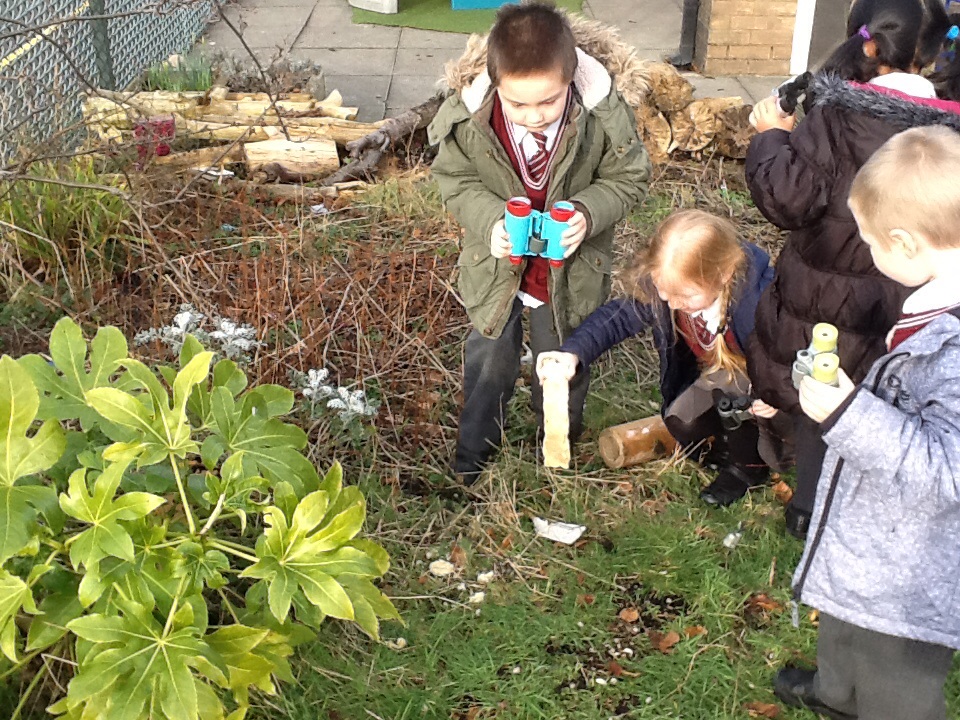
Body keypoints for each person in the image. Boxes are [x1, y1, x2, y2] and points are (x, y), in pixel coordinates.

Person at [743, 0, 957, 538]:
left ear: (867, 44)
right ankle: (866, 505)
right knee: (887, 405)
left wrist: (771, 135)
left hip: (826, 302)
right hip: (911, 308)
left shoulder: (838, 115)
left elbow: (790, 199)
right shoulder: (948, 128)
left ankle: (809, 510)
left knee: (823, 395)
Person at [774, 125, 960, 720]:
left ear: (905, 243)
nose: (869, 255)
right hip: (876, 542)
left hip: (911, 577)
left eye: (872, 244)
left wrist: (849, 413)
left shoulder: (955, 349)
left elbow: (946, 471)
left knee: (896, 679)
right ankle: (838, 695)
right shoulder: (932, 298)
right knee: (847, 621)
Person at [428, 2, 650, 484]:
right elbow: (454, 178)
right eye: (518, 104)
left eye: (548, 102)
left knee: (563, 362)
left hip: (569, 271)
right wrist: (491, 222)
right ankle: (473, 457)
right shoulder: (469, 118)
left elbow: (629, 177)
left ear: (571, 78)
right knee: (489, 360)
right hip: (497, 267)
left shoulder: (601, 116)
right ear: (496, 85)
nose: (533, 116)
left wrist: (588, 214)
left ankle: (556, 450)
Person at [536, 210, 783, 506]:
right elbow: (616, 319)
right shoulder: (670, 283)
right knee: (681, 422)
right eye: (666, 293)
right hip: (715, 376)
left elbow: (790, 351)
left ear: (723, 275)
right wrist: (572, 353)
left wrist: (777, 393)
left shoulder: (759, 303)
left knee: (738, 402)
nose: (673, 303)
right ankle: (724, 441)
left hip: (764, 386)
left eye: (686, 296)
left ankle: (747, 468)